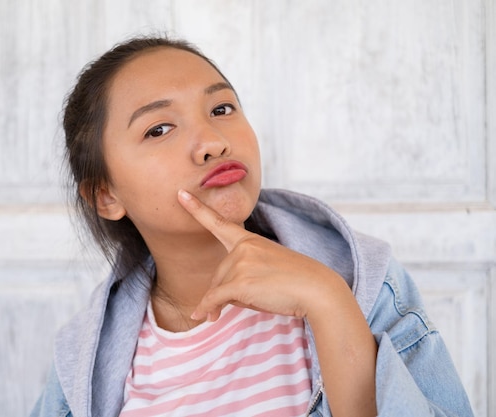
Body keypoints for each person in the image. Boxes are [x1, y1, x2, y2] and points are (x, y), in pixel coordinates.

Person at [30, 35, 474, 417]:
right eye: (160, 129)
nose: (212, 142)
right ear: (106, 196)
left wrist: (328, 300)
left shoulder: (366, 285)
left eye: (221, 108)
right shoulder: (80, 368)